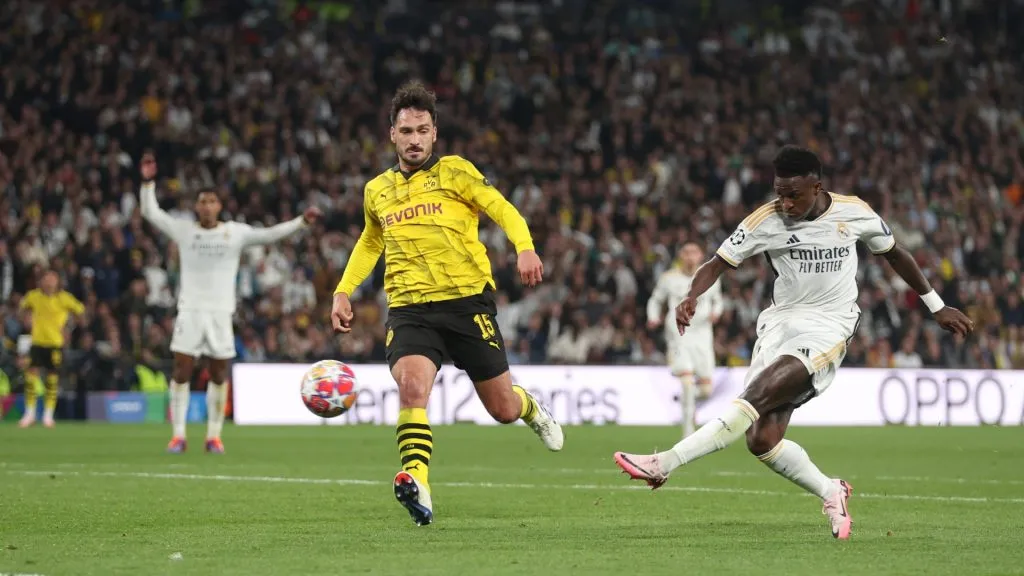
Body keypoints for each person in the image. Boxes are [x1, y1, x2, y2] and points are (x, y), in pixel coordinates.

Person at [614, 145, 974, 540]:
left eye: (794, 195)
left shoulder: (854, 212)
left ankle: (664, 463)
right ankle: (831, 491)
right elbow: (717, 263)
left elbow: (895, 253)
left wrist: (936, 306)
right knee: (761, 439)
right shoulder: (764, 220)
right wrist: (691, 296)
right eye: (779, 193)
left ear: (817, 187)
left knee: (754, 397)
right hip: (780, 324)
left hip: (830, 325)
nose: (785, 203)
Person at [330, 82, 563, 526]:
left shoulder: (457, 172)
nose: (414, 139)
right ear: (392, 134)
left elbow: (502, 209)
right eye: (406, 131)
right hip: (410, 309)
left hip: (466, 304)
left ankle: (531, 408)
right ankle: (417, 481)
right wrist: (343, 290)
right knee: (412, 387)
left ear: (434, 133)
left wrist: (525, 247)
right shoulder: (377, 190)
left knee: (503, 409)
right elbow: (370, 241)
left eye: (422, 130)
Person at [139, 153, 320, 454]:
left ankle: (213, 436)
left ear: (219, 206)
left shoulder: (234, 233)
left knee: (219, 373)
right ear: (196, 206)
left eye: (212, 201)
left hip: (221, 313)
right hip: (190, 310)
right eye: (202, 201)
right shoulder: (185, 231)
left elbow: (269, 235)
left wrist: (300, 222)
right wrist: (147, 183)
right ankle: (178, 436)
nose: (207, 206)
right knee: (181, 371)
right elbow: (151, 213)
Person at [647, 242, 723, 436]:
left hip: (703, 335)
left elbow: (718, 301)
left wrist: (716, 312)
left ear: (700, 256)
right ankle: (687, 434)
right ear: (680, 255)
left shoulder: (710, 275)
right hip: (678, 334)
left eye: (694, 252)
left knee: (706, 390)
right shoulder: (668, 278)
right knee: (687, 383)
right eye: (686, 252)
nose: (690, 256)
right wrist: (653, 317)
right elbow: (655, 300)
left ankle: (686, 401)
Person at [18, 270, 85, 428]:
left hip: (55, 343)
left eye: (52, 279)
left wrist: (70, 329)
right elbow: (22, 309)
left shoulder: (64, 298)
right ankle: (30, 413)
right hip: (37, 342)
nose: (49, 282)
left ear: (57, 282)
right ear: (41, 281)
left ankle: (48, 415)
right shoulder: (33, 296)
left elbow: (81, 311)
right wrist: (26, 320)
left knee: (51, 379)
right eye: (46, 279)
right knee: (31, 377)